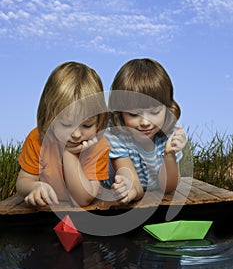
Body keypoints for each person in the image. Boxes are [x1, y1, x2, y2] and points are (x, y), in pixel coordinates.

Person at [16, 61, 109, 207]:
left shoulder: (98, 145)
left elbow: (82, 199)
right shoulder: (37, 139)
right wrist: (35, 187)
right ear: (48, 117)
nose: (77, 134)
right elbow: (22, 182)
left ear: (99, 119)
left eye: (87, 125)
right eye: (66, 124)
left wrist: (70, 154)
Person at [105, 58, 187, 204]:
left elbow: (168, 187)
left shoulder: (171, 131)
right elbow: (130, 178)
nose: (145, 122)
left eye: (154, 112)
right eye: (134, 114)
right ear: (120, 112)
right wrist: (131, 190)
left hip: (157, 187)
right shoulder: (116, 133)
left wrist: (169, 155)